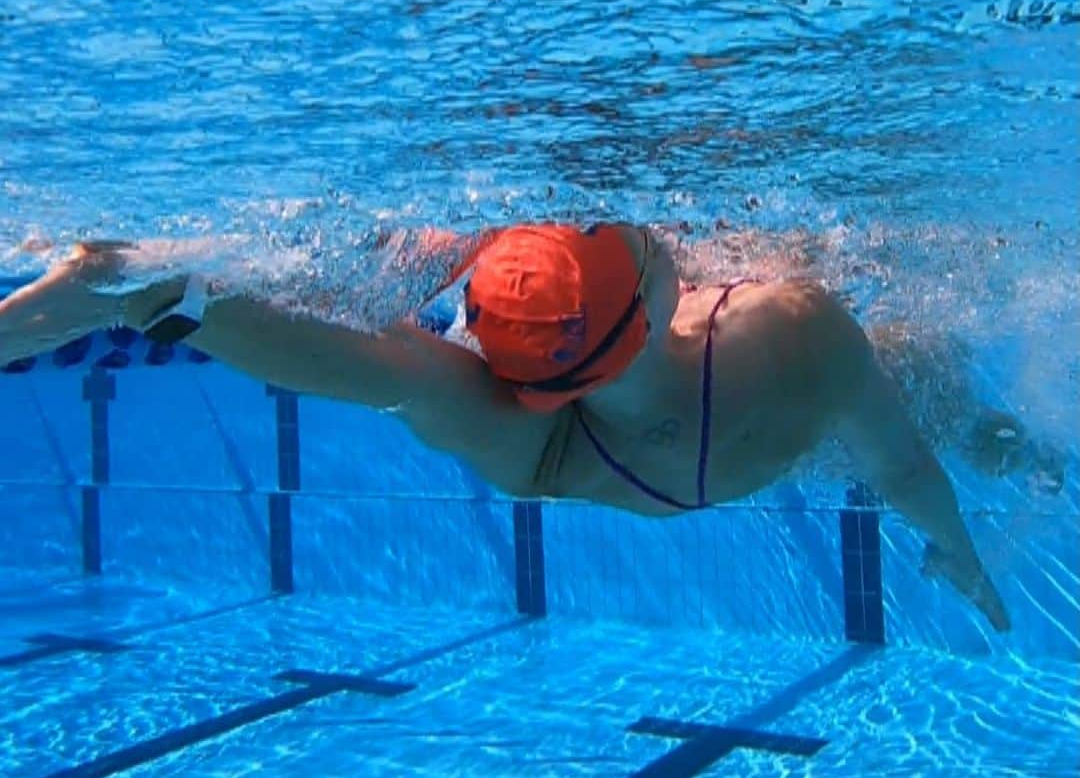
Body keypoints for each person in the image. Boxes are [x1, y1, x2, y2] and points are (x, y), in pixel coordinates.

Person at [0, 222, 1010, 631]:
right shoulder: (799, 330)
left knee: (399, 370)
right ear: (657, 299)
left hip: (601, 458)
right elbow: (907, 462)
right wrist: (956, 549)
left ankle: (155, 297)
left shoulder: (528, 422)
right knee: (930, 375)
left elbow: (368, 367)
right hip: (707, 428)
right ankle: (156, 300)